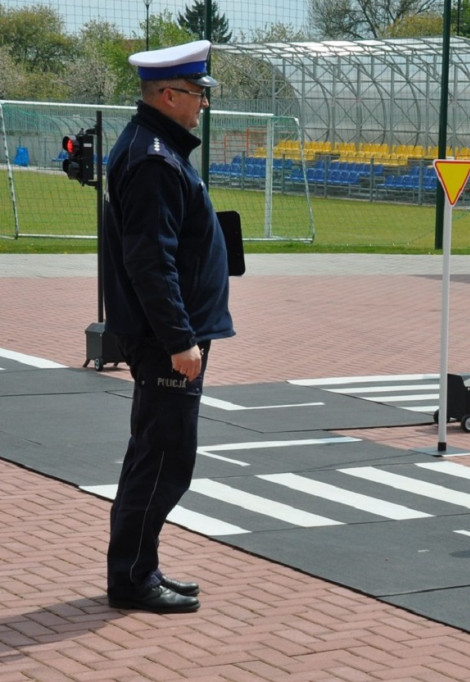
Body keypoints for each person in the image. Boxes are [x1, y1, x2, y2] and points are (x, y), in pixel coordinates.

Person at [102, 40, 234, 613]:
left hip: (167, 334)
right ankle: (133, 579)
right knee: (164, 459)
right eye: (198, 94)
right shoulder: (155, 158)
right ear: (169, 94)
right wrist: (180, 339)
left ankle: (140, 567)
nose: (202, 104)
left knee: (154, 455)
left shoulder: (155, 149)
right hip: (165, 341)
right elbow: (150, 261)